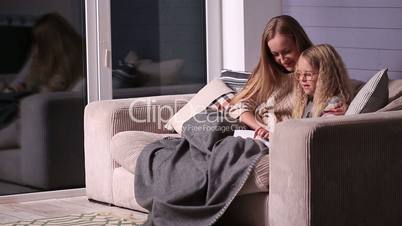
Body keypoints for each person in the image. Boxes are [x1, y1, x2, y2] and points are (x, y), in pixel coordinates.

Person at [228, 15, 313, 140]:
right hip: (259, 133)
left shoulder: (314, 75)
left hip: (284, 138)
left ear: (299, 42)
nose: (283, 60)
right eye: (275, 54)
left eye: (287, 51)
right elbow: (240, 106)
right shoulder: (269, 74)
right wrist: (260, 128)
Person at [5, 12, 83, 93]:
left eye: (38, 42)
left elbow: (52, 89)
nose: (35, 48)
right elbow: (23, 79)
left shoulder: (67, 62)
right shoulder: (39, 55)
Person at [292, 44, 353, 118]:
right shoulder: (309, 101)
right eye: (299, 74)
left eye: (308, 74)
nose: (302, 79)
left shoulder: (334, 107)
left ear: (326, 76)